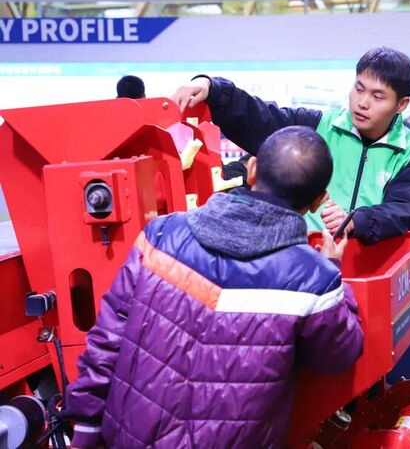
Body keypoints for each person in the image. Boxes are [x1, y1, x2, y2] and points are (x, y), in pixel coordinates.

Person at [66, 126, 364, 448]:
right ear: (319, 201)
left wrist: (86, 428)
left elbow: (108, 339)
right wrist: (332, 267)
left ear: (251, 170)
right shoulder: (314, 279)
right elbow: (339, 355)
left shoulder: (161, 234)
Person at [171, 47, 410, 245]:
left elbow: (407, 209)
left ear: (401, 104)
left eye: (377, 96)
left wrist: (358, 220)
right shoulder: (317, 126)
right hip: (296, 254)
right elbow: (260, 118)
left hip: (365, 268)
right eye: (359, 88)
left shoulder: (409, 154)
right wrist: (213, 89)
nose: (362, 103)